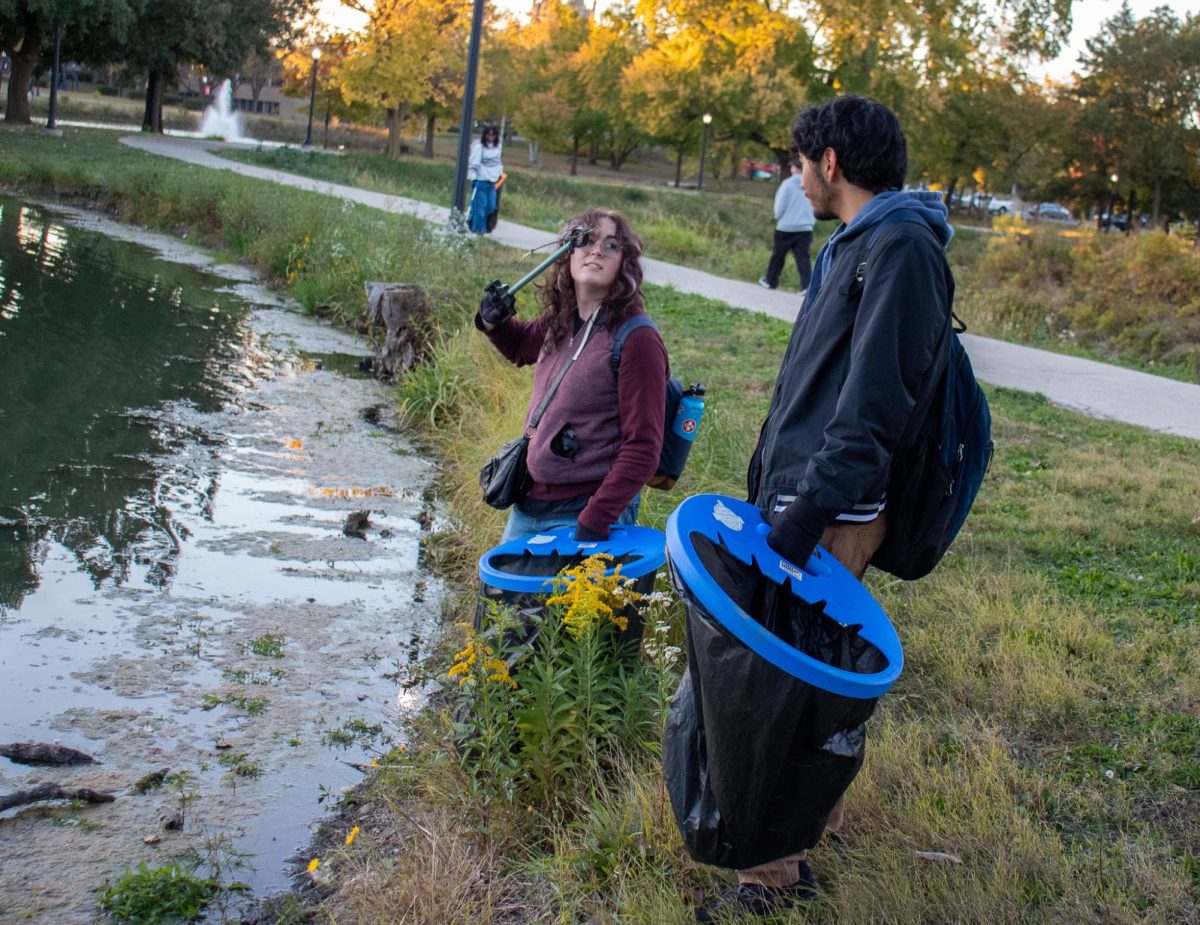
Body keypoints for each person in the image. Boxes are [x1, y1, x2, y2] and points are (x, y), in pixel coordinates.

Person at [698, 95, 956, 921]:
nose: (794, 176)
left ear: (831, 162)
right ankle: (810, 839)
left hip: (831, 513)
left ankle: (768, 882)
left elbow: (873, 408)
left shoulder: (901, 246)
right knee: (810, 681)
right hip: (807, 501)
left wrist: (804, 518)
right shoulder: (861, 242)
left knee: (780, 690)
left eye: (798, 162)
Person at [476, 209, 669, 543]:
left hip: (583, 512)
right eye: (586, 241)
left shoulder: (637, 339)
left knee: (557, 599)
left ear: (625, 263)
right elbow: (521, 347)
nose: (596, 251)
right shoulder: (561, 319)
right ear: (567, 254)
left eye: (611, 246)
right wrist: (493, 321)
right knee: (499, 595)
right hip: (530, 505)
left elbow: (643, 448)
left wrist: (593, 523)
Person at [758, 159, 815, 295]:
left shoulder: (787, 184)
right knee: (803, 257)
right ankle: (806, 285)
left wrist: (778, 217)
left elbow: (780, 205)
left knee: (778, 255)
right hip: (805, 227)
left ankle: (771, 281)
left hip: (786, 226)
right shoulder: (811, 183)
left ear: (795, 168)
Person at [467, 125, 503, 235]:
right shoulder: (479, 146)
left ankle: (477, 223)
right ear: (485, 135)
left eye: (493, 134)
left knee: (491, 206)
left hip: (492, 182)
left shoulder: (498, 147)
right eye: (488, 134)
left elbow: (498, 163)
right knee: (480, 207)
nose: (491, 136)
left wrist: (499, 174)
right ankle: (479, 230)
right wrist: (473, 176)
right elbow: (474, 162)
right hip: (480, 181)